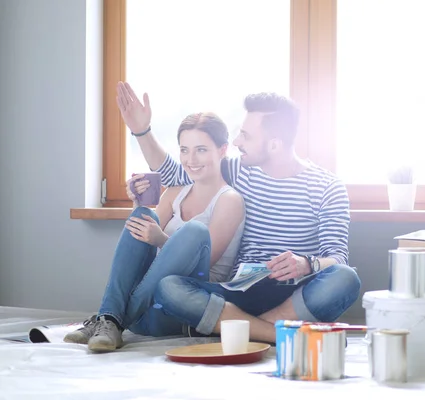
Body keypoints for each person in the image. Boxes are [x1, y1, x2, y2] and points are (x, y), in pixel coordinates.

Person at [114, 81, 361, 345]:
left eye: (246, 136)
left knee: (346, 279)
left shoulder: (327, 186)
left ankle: (236, 325)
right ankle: (275, 332)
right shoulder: (239, 170)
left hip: (295, 292)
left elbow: (337, 258)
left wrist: (306, 264)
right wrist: (142, 131)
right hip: (240, 289)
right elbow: (181, 173)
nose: (236, 142)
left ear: (275, 144)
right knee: (170, 288)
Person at [64, 111, 246, 352]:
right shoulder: (175, 193)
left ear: (222, 150)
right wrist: (137, 203)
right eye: (184, 150)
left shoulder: (230, 200)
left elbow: (204, 258)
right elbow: (142, 241)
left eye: (201, 149)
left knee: (194, 232)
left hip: (180, 306)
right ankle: (111, 319)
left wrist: (160, 239)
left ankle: (109, 317)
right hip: (145, 311)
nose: (191, 159)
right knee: (142, 215)